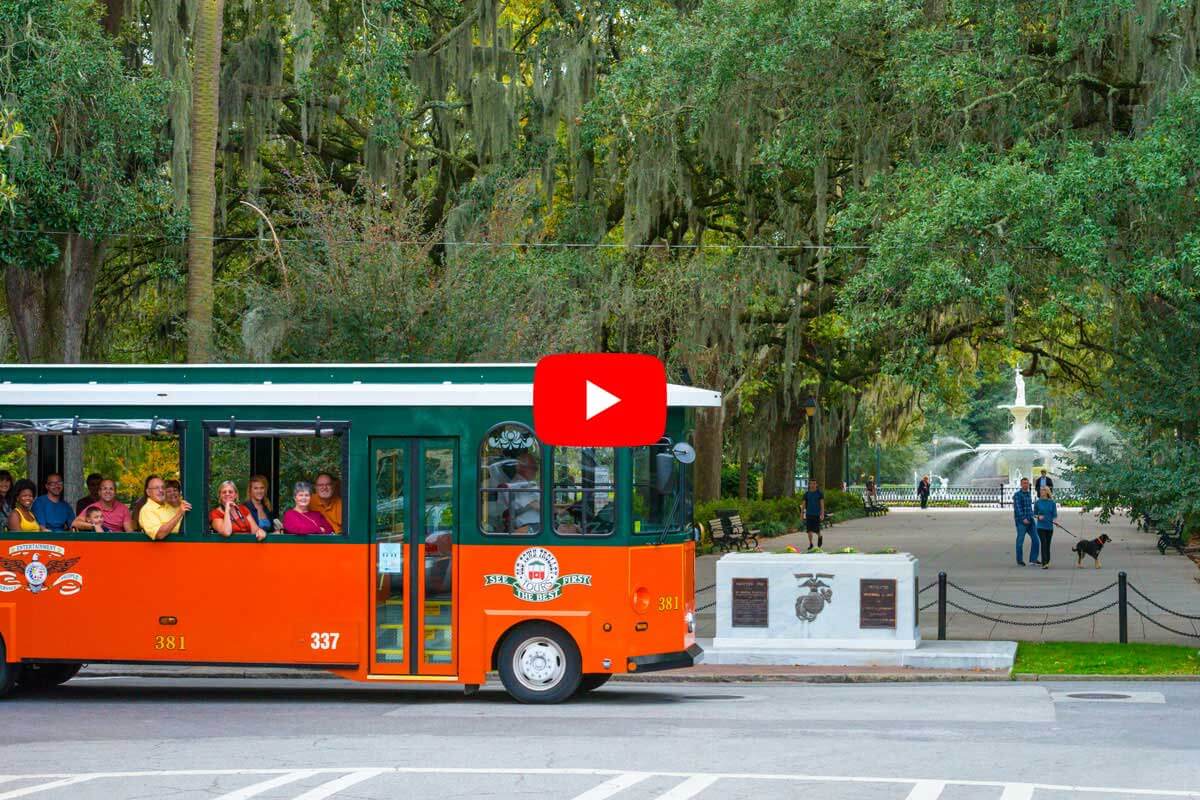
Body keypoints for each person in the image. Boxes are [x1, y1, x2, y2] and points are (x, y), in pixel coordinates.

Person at [138, 475, 191, 541]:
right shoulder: (147, 510)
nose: (160, 490)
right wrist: (179, 513)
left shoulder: (169, 505)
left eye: (163, 487)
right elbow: (159, 534)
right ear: (148, 492)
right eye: (156, 488)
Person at [500, 452, 541, 532]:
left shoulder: (528, 484)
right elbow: (537, 506)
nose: (536, 471)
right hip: (531, 525)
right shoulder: (519, 485)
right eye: (534, 468)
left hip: (538, 524)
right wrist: (557, 510)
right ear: (523, 468)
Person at [1012, 477, 1039, 566]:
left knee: (1036, 540)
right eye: (1024, 483)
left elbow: (1029, 508)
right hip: (1021, 522)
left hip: (1030, 521)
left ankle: (1033, 559)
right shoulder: (1017, 495)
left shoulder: (1028, 493)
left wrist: (1034, 515)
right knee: (1020, 541)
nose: (1026, 485)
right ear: (1021, 484)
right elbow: (1018, 508)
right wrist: (1023, 518)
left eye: (1027, 483)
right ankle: (1019, 560)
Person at [1035, 486, 1057, 569]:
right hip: (1040, 527)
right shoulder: (1037, 502)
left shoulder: (1052, 503)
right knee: (1043, 543)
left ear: (1047, 492)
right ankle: (1044, 563)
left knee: (1048, 545)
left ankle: (1047, 561)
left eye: (1043, 490)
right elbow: (1034, 513)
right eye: (1040, 490)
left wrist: (1055, 521)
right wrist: (1038, 517)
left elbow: (1054, 515)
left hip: (1049, 527)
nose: (1041, 492)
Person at [803, 479, 825, 551]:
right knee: (809, 530)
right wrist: (801, 514)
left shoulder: (819, 494)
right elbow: (803, 505)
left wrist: (822, 514)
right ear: (809, 485)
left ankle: (820, 537)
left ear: (816, 485)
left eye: (814, 484)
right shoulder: (806, 494)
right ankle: (811, 544)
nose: (812, 485)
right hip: (809, 514)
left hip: (816, 514)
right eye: (811, 484)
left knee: (817, 530)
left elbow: (822, 505)